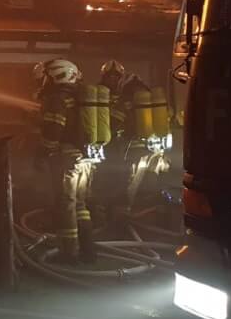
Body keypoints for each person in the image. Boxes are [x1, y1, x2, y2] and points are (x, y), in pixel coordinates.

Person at [34, 57, 95, 264]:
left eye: (47, 77)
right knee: (80, 205)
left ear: (56, 76)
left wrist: (43, 152)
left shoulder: (58, 98)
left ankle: (70, 254)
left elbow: (54, 130)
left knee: (65, 204)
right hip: (85, 158)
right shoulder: (79, 96)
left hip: (66, 158)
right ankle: (88, 249)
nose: (45, 82)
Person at [98, 59, 152, 212]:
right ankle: (115, 209)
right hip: (121, 142)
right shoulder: (100, 92)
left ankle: (117, 210)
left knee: (119, 177)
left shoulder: (126, 94)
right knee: (118, 177)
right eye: (110, 76)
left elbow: (118, 118)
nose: (112, 79)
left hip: (122, 142)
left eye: (116, 76)